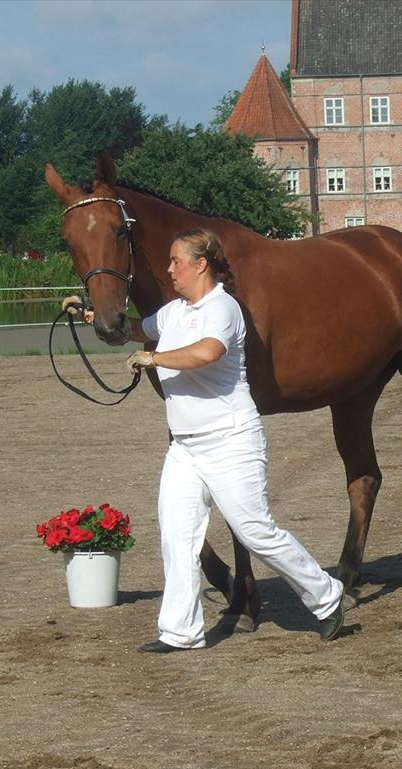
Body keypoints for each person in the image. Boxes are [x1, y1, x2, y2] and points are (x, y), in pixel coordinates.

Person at [61, 228, 348, 652]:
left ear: (201, 264)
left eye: (177, 260)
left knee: (256, 532)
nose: (169, 268)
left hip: (230, 441)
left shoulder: (223, 308)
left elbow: (207, 353)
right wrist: (88, 315)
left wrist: (154, 358)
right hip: (185, 447)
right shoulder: (174, 312)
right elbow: (133, 330)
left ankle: (326, 596)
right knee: (176, 534)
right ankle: (180, 631)